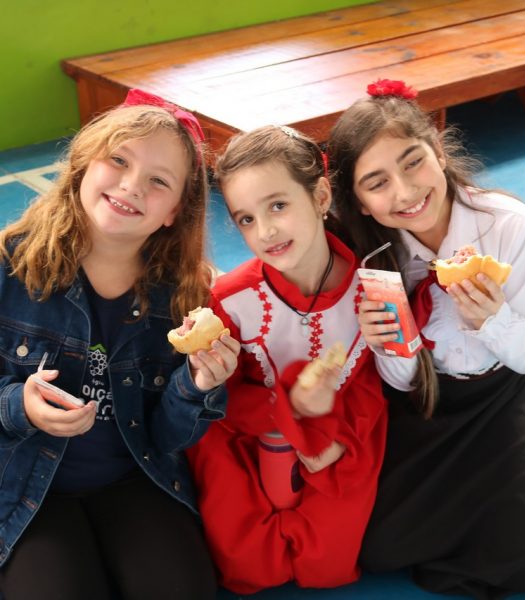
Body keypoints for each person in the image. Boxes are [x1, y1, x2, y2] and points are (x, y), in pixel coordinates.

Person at [326, 79, 525, 599]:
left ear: (438, 151)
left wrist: (492, 319)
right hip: (423, 406)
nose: (405, 192)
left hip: (498, 394)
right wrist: (390, 344)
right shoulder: (374, 257)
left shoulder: (508, 227)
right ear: (360, 203)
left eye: (413, 162)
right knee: (377, 548)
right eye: (376, 183)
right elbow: (403, 382)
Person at [0, 89, 240, 600]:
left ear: (174, 211)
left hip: (134, 478)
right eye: (119, 160)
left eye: (159, 181)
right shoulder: (10, 266)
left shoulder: (184, 299)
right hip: (24, 484)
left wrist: (198, 385)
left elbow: (168, 437)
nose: (132, 185)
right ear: (84, 165)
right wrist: (19, 405)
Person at [185, 125, 388, 594]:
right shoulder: (230, 299)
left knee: (327, 567)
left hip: (338, 438)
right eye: (246, 219)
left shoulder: (372, 287)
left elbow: (372, 384)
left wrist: (338, 439)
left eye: (278, 205)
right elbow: (222, 400)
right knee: (249, 569)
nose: (266, 231)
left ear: (320, 196)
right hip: (245, 437)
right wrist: (284, 411)